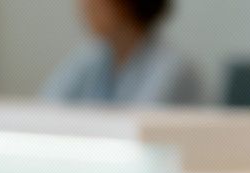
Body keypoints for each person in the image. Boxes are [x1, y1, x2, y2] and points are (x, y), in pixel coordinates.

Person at [41, 0, 199, 106]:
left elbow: (138, 130)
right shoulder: (89, 59)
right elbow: (44, 110)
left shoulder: (174, 70)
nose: (84, 4)